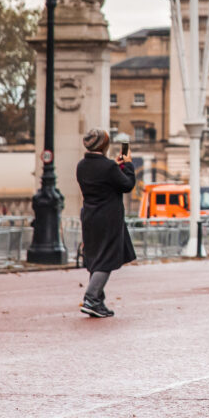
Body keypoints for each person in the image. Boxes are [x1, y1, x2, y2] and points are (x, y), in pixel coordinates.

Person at [76, 128, 136, 318]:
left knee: (96, 257)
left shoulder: (81, 166)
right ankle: (91, 298)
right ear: (104, 145)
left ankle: (98, 303)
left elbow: (104, 180)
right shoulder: (108, 167)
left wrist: (115, 167)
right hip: (108, 217)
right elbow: (127, 185)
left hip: (89, 216)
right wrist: (127, 165)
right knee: (106, 258)